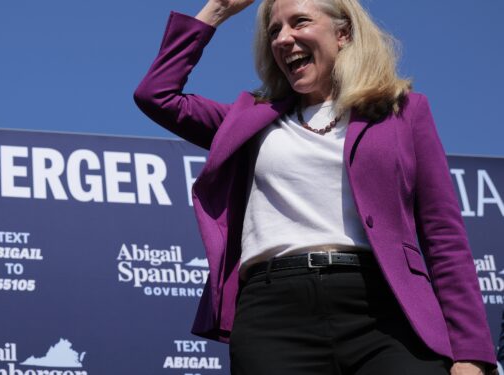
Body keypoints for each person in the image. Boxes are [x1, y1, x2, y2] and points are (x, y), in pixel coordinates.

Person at [133, 0, 496, 374]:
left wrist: (473, 355)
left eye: (299, 22)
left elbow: (444, 236)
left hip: (387, 312)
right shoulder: (247, 119)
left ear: (343, 33)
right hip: (274, 318)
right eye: (274, 31)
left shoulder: (403, 113)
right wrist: (217, 10)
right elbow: (156, 94)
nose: (283, 39)